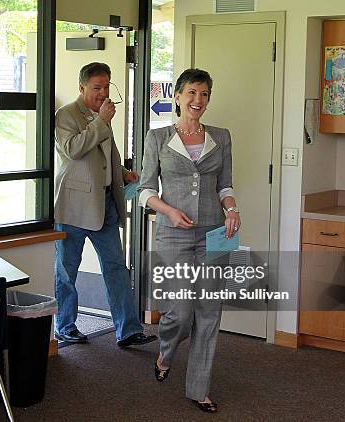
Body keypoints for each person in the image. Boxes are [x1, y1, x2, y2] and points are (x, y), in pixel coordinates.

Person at [138, 68, 240, 413]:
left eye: (205, 94)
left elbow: (225, 185)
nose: (198, 100)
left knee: (209, 311)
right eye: (192, 93)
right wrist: (167, 211)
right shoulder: (158, 138)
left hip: (216, 232)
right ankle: (166, 352)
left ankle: (199, 389)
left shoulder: (221, 137)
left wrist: (232, 209)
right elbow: (145, 190)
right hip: (174, 231)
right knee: (180, 311)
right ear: (178, 96)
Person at [54, 62, 157, 348]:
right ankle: (64, 326)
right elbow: (73, 149)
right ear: (82, 87)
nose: (103, 93)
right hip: (73, 207)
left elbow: (106, 152)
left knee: (115, 267)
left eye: (106, 87)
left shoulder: (102, 116)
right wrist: (101, 121)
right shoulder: (65, 115)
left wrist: (123, 173)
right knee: (67, 270)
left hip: (105, 205)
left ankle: (128, 329)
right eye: (97, 88)